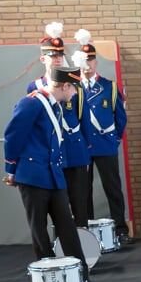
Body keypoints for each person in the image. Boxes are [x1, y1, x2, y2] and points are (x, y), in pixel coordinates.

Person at [2, 65, 90, 282]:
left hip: (53, 175)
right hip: (32, 176)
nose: (76, 94)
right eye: (75, 88)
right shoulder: (31, 103)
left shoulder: (54, 106)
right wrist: (11, 170)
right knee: (39, 230)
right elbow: (13, 137)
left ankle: (80, 276)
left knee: (67, 227)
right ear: (66, 85)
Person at [27, 23, 91, 227]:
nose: (57, 59)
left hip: (74, 151)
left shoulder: (74, 84)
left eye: (60, 55)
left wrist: (86, 148)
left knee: (80, 204)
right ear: (43, 59)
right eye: (52, 55)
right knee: (57, 205)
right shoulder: (34, 87)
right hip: (50, 154)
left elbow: (85, 119)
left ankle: (83, 247)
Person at [74, 30, 131, 243]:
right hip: (81, 147)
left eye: (91, 60)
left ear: (96, 62)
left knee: (113, 187)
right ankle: (85, 230)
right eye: (84, 61)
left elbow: (120, 116)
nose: (87, 65)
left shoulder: (109, 87)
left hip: (105, 144)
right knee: (82, 190)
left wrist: (115, 139)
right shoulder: (72, 87)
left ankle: (121, 228)